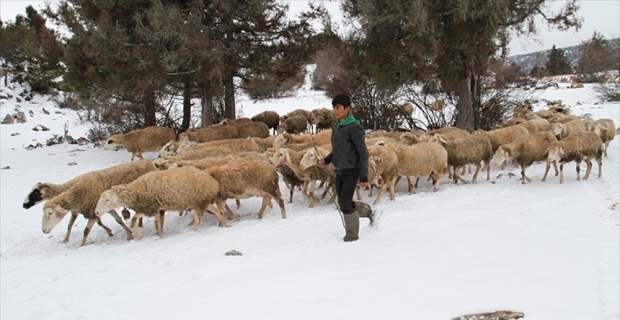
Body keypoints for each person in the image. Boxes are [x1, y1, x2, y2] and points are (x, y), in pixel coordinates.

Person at [318, 94, 375, 242]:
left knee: (344, 202)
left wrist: (364, 177)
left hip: (352, 170)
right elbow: (338, 149)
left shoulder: (354, 127)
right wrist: (327, 159)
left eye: (338, 108)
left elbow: (363, 153)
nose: (335, 111)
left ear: (347, 109)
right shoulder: (336, 125)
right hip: (339, 170)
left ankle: (352, 233)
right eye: (334, 107)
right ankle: (370, 212)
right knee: (344, 202)